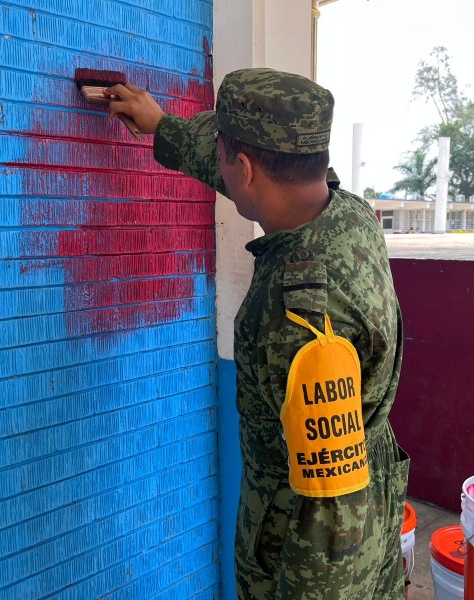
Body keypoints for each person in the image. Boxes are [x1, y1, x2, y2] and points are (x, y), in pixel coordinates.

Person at [106, 68, 409, 599]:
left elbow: (330, 516)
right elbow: (244, 173)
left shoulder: (303, 319)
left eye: (226, 155)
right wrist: (164, 128)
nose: (224, 168)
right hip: (367, 520)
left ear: (245, 167)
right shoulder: (348, 215)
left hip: (307, 560)